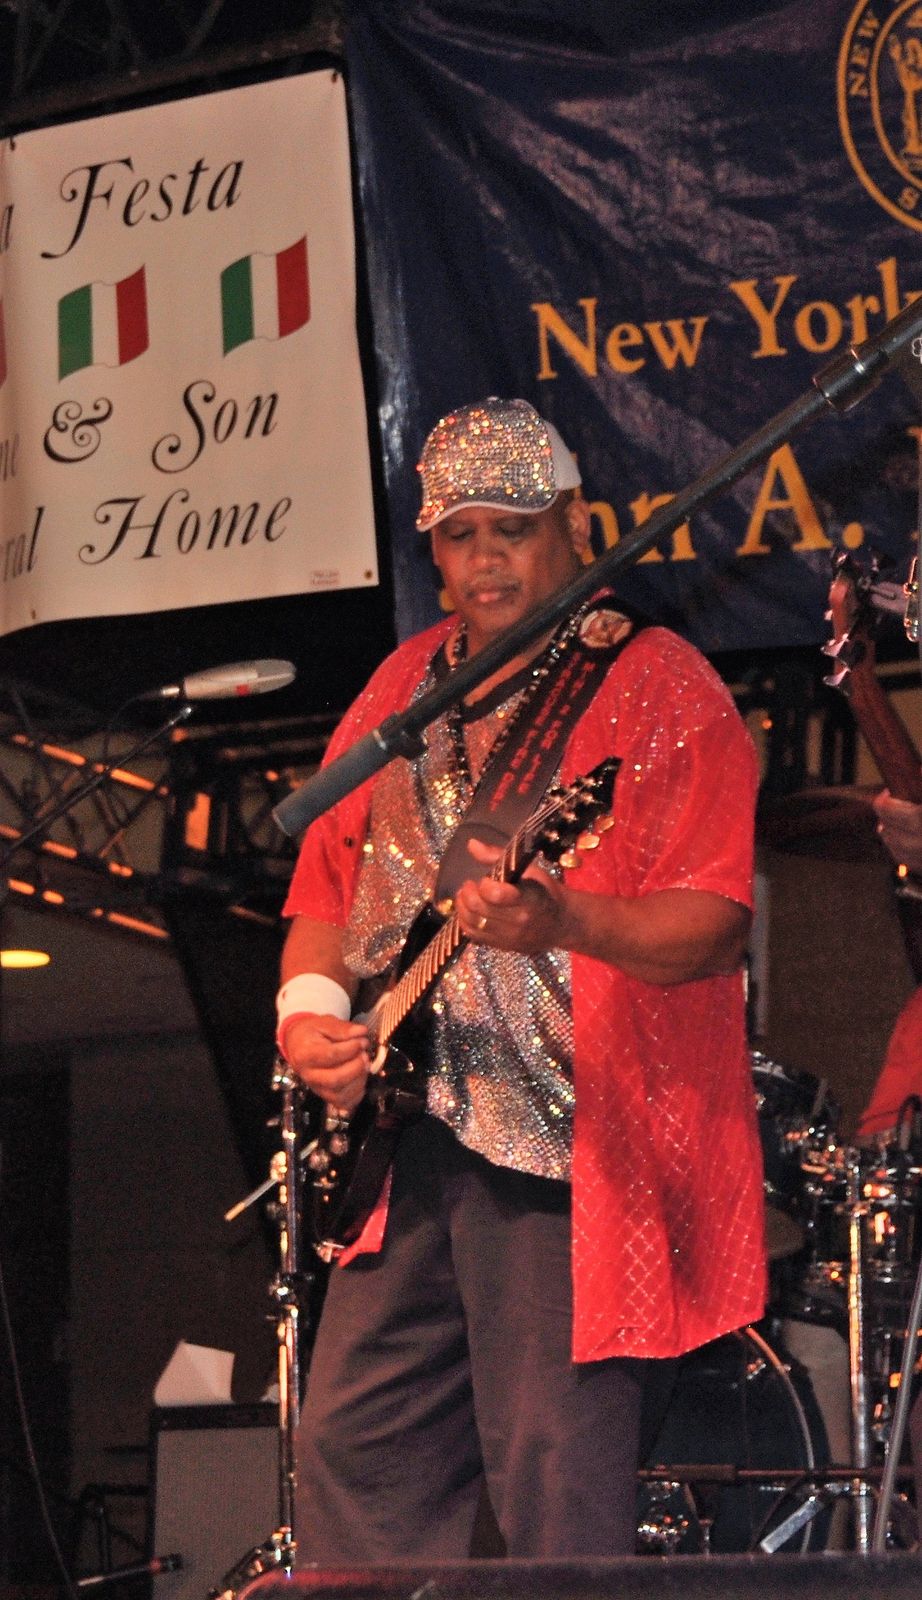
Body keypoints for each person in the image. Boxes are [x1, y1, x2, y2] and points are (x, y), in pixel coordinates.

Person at [276, 396, 766, 1562]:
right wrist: (310, 1016)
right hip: (407, 1138)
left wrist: (566, 917)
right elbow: (324, 887)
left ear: (574, 525)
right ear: (433, 553)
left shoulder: (656, 681)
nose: (485, 557)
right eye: (460, 535)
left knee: (554, 1471)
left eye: (513, 527)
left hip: (570, 1147)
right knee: (352, 1445)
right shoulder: (402, 688)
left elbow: (712, 926)